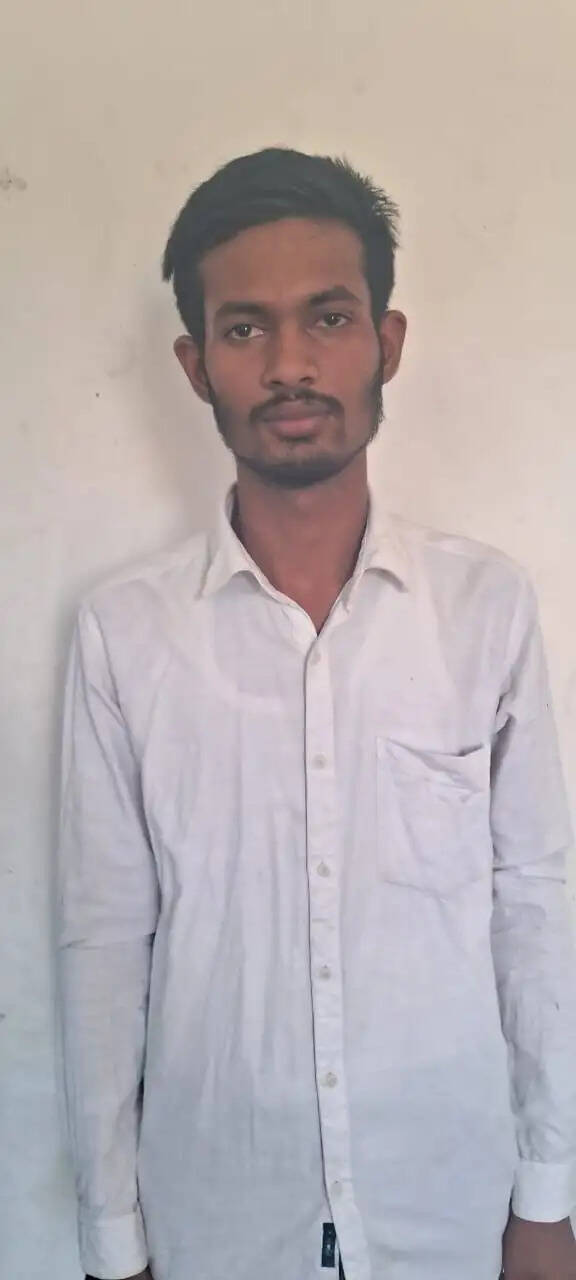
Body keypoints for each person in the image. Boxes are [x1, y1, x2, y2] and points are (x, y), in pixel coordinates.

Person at [57, 147, 576, 1280]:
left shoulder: (484, 608)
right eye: (245, 328)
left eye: (328, 318)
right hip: (218, 1214)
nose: (290, 363)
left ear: (387, 341)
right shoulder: (124, 635)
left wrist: (548, 1194)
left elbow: (534, 907)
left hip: (447, 1201)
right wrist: (112, 1235)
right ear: (196, 365)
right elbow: (104, 945)